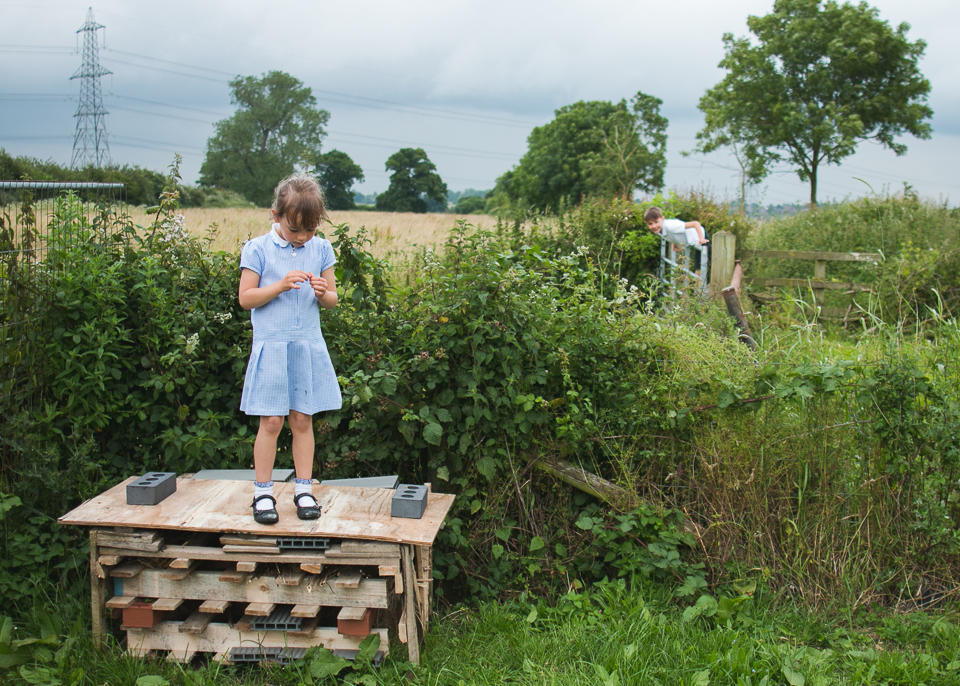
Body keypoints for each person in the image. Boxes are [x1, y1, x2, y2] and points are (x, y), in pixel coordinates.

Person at [238, 174, 342, 524]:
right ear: (275, 216)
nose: (302, 237)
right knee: (271, 421)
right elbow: (245, 298)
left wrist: (321, 292)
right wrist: (280, 285)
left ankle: (303, 489)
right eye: (295, 229)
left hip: (305, 346)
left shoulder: (321, 248)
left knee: (302, 419)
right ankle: (263, 494)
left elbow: (332, 300)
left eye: (309, 230)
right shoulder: (257, 249)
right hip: (272, 347)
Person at [643, 206, 710, 274]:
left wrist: (701, 238)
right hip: (692, 242)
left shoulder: (671, 226)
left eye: (656, 222)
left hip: (701, 238)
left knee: (700, 269)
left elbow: (695, 223)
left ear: (663, 219)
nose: (654, 226)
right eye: (650, 224)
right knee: (698, 269)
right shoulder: (659, 229)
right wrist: (674, 243)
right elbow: (673, 234)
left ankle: (702, 284)